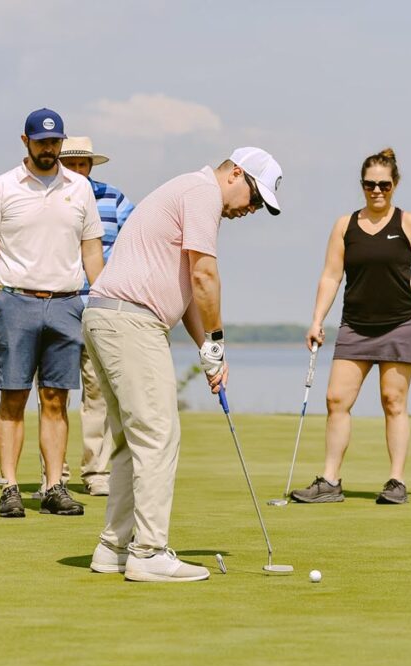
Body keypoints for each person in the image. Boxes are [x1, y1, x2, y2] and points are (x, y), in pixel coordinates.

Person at [84, 147, 282, 582]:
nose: (251, 210)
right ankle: (149, 552)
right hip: (131, 320)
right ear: (235, 173)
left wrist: (206, 349)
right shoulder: (202, 193)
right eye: (254, 198)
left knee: (129, 442)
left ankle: (114, 547)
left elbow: (188, 289)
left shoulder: (190, 191)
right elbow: (204, 275)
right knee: (159, 435)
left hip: (109, 315)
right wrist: (216, 341)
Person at [291, 148, 411, 505]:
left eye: (384, 184)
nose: (377, 191)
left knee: (393, 401)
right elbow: (331, 275)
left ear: (394, 184)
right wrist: (317, 320)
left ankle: (396, 481)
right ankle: (330, 481)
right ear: (362, 185)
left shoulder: (408, 223)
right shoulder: (345, 225)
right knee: (336, 399)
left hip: (400, 322)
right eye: (370, 184)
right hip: (355, 324)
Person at [0, 108, 105, 518]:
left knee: (55, 398)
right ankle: (10, 486)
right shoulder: (3, 187)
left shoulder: (79, 188)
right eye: (43, 142)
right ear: (26, 141)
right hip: (15, 301)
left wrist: (103, 300)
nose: (50, 149)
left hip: (66, 302)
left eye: (56, 142)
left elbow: (92, 250)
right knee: (13, 397)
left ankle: (53, 486)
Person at [58, 136, 135, 496]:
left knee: (97, 392)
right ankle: (55, 472)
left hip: (98, 307)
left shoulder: (113, 198)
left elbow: (135, 241)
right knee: (54, 393)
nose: (76, 171)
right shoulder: (46, 196)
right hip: (56, 304)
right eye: (69, 164)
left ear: (91, 166)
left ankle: (96, 472)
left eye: (82, 165)